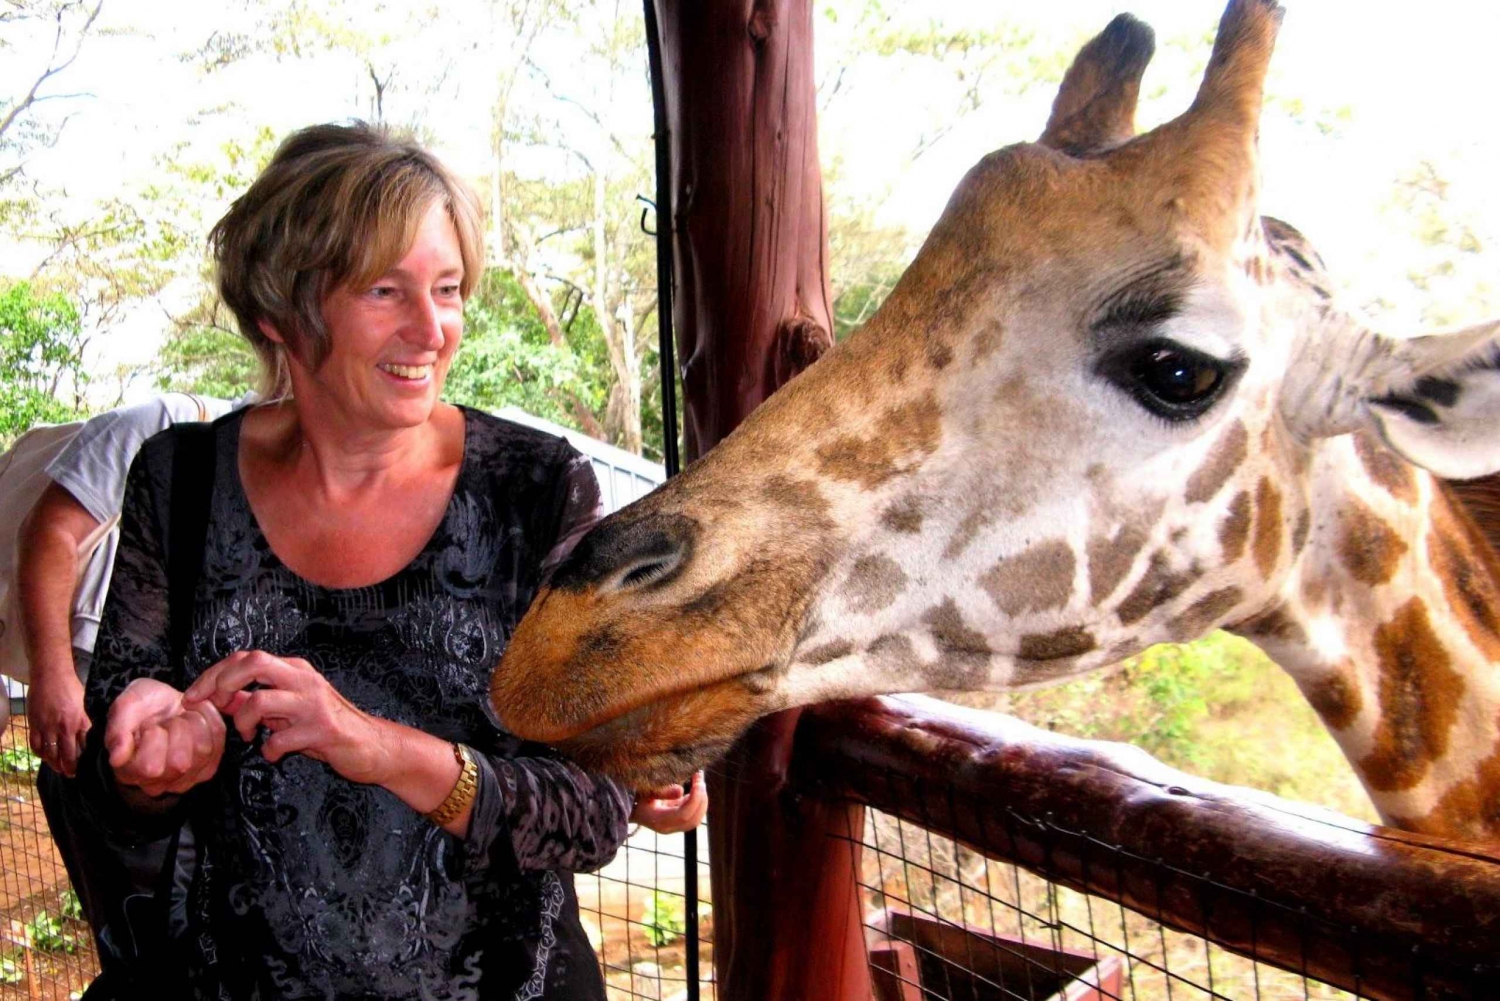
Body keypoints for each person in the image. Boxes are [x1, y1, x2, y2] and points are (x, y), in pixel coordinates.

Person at [79, 121, 705, 1000]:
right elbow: (114, 781)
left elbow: (597, 808)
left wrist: (375, 746)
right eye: (385, 290)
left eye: (446, 289)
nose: (432, 328)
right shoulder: (179, 482)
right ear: (281, 311)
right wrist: (147, 768)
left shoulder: (535, 489)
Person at [18, 393, 249, 983]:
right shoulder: (164, 425)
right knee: (142, 943)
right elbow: (50, 532)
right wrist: (52, 674)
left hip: (191, 731)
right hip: (95, 714)